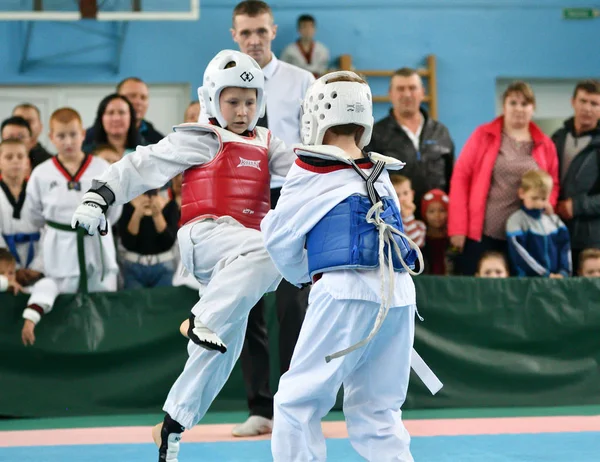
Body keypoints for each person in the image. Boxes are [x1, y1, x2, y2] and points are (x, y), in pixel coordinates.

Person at [70, 50, 295, 462]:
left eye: (250, 101)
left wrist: (350, 170)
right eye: (233, 101)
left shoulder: (268, 142)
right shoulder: (201, 136)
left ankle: (171, 427)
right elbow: (143, 164)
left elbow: (304, 171)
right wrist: (99, 195)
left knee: (220, 350)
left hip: (240, 260)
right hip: (206, 236)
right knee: (275, 246)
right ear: (211, 99)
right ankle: (202, 317)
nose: (243, 111)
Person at [262, 71, 440, 462]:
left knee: (296, 403)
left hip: (344, 290)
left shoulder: (309, 168)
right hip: (399, 294)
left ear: (313, 115)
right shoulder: (380, 169)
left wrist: (302, 275)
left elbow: (279, 238)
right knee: (378, 409)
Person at [230, 0, 315, 436]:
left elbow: (319, 147)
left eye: (260, 31)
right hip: (241, 200)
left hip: (292, 201)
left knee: (293, 306)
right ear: (234, 35)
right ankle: (260, 407)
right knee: (247, 305)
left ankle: (294, 405)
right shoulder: (219, 80)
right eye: (245, 33)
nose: (254, 40)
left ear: (274, 31)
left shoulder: (303, 82)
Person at [20, 107, 121, 346]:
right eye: (62, 136)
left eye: (73, 135)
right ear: (51, 137)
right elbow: (33, 215)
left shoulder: (100, 167)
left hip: (97, 244)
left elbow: (115, 208)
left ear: (82, 135)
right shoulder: (41, 173)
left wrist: (96, 225)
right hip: (59, 245)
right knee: (61, 302)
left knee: (102, 303)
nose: (68, 141)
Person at [448, 81, 559, 275]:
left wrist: (548, 202)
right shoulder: (482, 134)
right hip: (483, 230)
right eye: (513, 103)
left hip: (525, 233)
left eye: (524, 104)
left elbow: (553, 182)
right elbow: (460, 179)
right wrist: (458, 227)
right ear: (503, 106)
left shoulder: (545, 143)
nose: (519, 109)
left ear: (533, 108)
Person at [366, 68, 454, 216]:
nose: (407, 94)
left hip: (437, 225)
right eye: (400, 89)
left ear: (422, 92)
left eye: (412, 88)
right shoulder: (375, 134)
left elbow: (453, 178)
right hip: (396, 222)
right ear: (390, 94)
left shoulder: (440, 132)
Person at [552, 80, 600, 269]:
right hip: (558, 234)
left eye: (594, 103)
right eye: (583, 101)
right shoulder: (557, 138)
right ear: (573, 102)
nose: (587, 108)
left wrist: (578, 206)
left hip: (593, 241)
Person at [506, 170, 571, 278]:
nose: (539, 203)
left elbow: (565, 248)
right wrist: (544, 274)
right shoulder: (515, 221)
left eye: (544, 199)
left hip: (557, 280)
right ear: (522, 193)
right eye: (534, 198)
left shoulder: (555, 221)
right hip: (529, 282)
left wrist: (564, 272)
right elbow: (520, 254)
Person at [0, 139, 43, 286]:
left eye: (20, 156)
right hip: (4, 268)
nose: (15, 161)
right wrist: (13, 269)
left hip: (39, 265)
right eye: (9, 157)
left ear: (27, 161)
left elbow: (49, 229)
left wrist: (38, 266)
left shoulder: (39, 191)